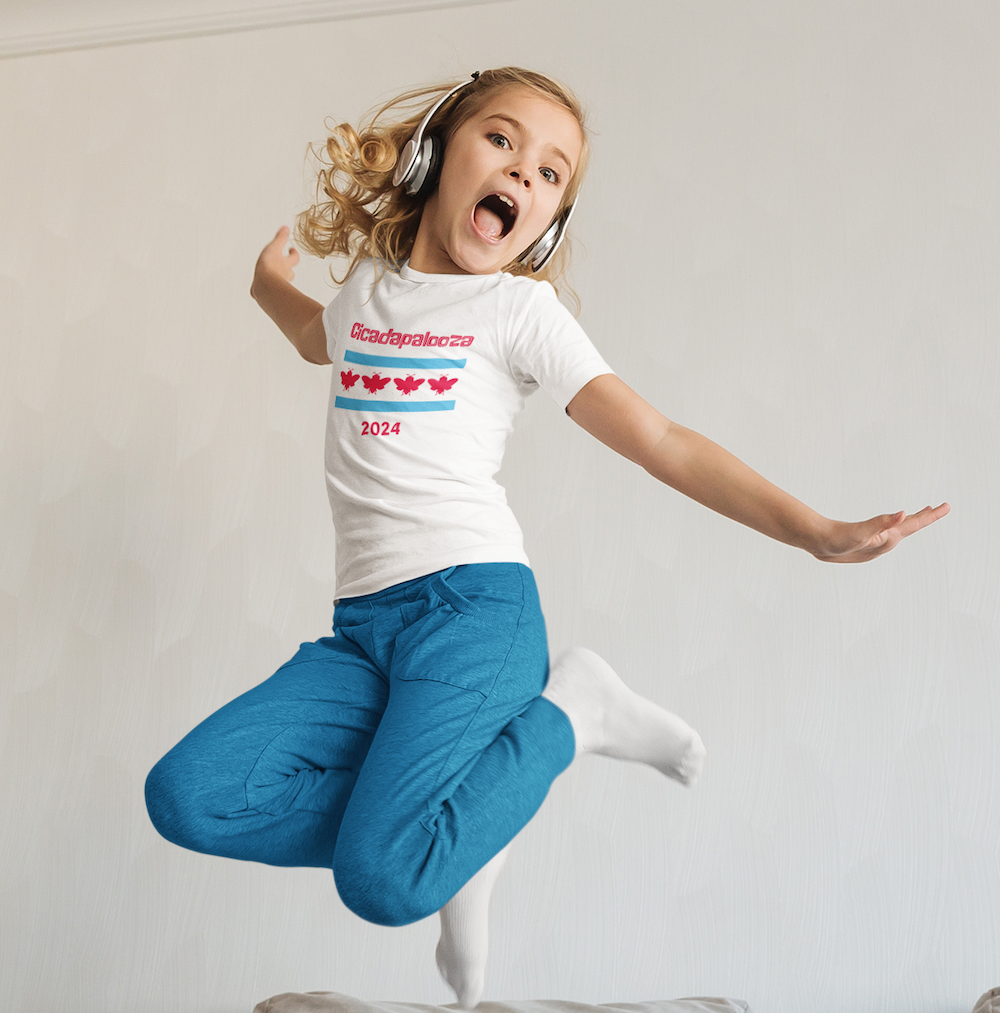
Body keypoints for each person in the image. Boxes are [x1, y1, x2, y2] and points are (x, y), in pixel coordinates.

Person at [144, 67, 949, 1009]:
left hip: (471, 615)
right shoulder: (368, 288)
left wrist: (815, 531)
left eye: (553, 173)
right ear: (437, 151)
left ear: (551, 218)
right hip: (363, 632)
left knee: (386, 882)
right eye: (503, 142)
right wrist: (264, 284)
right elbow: (314, 337)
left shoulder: (518, 312)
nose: (525, 175)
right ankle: (463, 822)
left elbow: (661, 441)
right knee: (191, 796)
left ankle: (577, 710)